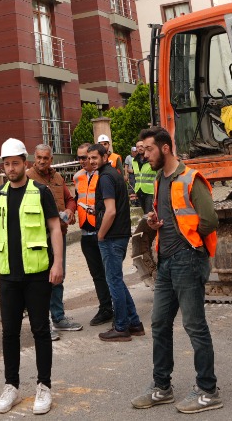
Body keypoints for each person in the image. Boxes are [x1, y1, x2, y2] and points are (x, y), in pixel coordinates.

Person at [131, 126, 221, 413]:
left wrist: (190, 242)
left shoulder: (190, 178)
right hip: (167, 261)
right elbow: (172, 214)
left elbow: (209, 220)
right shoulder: (160, 179)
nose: (144, 155)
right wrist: (157, 224)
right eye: (143, 150)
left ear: (165, 148)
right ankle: (162, 387)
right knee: (159, 324)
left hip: (187, 259)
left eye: (149, 149)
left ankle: (208, 390)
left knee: (195, 326)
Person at [0, 137, 64, 416]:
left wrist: (58, 264)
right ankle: (12, 386)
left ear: (24, 163)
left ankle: (44, 386)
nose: (10, 168)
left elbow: (55, 228)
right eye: (6, 164)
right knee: (9, 333)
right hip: (9, 275)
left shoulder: (40, 192)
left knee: (41, 330)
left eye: (15, 163)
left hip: (37, 273)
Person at [28, 142, 84, 335]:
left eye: (46, 158)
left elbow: (70, 198)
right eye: (39, 158)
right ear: (33, 158)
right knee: (41, 281)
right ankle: (43, 325)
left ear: (51, 160)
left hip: (58, 235)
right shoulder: (27, 178)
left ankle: (58, 318)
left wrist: (70, 210)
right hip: (37, 238)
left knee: (58, 276)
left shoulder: (58, 177)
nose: (42, 161)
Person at [95, 138, 143, 342]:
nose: (90, 161)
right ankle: (134, 323)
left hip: (112, 237)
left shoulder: (106, 177)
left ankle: (121, 326)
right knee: (117, 280)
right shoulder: (112, 174)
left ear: (105, 156)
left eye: (94, 157)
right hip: (119, 235)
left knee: (113, 281)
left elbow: (111, 211)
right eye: (88, 158)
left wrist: (100, 234)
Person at [72, 143, 114, 325]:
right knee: (97, 274)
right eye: (80, 158)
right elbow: (76, 199)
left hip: (102, 231)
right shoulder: (78, 177)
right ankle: (105, 308)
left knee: (111, 273)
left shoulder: (103, 176)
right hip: (86, 232)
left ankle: (120, 308)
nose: (83, 161)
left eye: (85, 157)